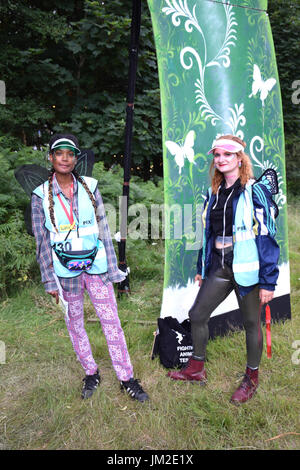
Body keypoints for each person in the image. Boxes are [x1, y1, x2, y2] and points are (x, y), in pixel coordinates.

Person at [31, 133, 149, 402]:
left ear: (75, 159)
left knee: (112, 322)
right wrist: (49, 280)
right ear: (50, 158)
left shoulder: (89, 186)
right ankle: (91, 372)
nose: (64, 158)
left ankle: (126, 378)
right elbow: (41, 242)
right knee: (75, 324)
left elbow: (104, 230)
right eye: (59, 153)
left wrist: (112, 268)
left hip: (96, 267)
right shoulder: (40, 195)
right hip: (65, 273)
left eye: (70, 154)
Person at [168, 134, 280, 404]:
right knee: (197, 314)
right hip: (219, 265)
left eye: (227, 155)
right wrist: (202, 268)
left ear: (240, 158)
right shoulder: (214, 193)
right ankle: (196, 368)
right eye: (217, 155)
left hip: (248, 271)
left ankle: (251, 378)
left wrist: (268, 281)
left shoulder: (255, 190)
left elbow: (267, 236)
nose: (221, 159)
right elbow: (207, 234)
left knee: (251, 323)